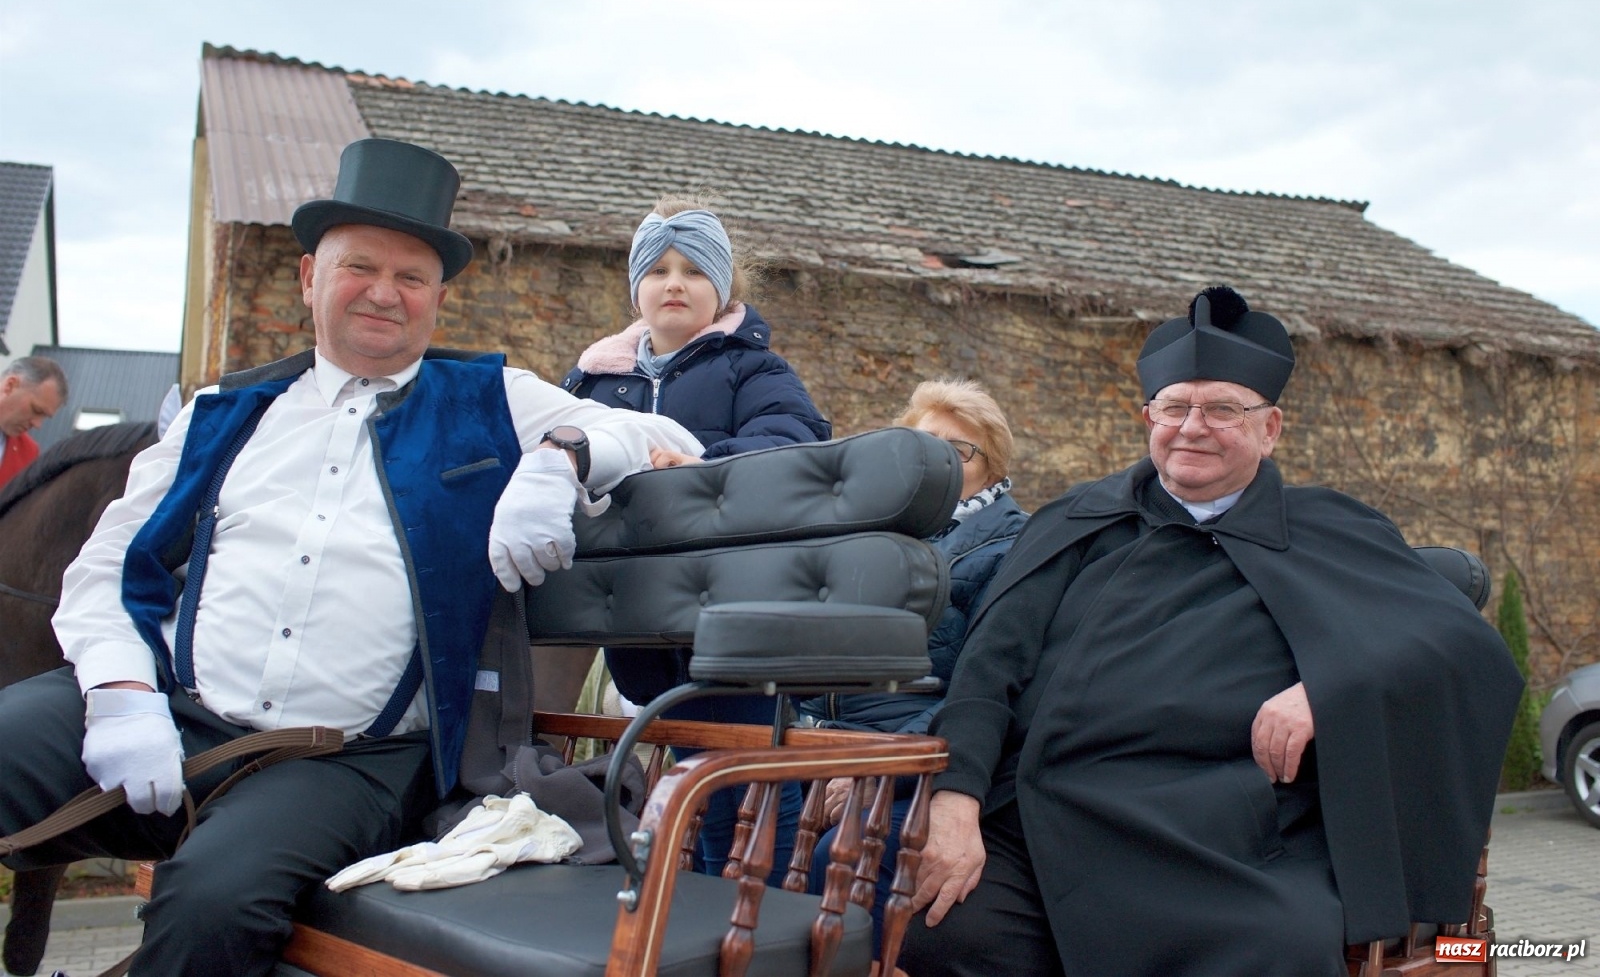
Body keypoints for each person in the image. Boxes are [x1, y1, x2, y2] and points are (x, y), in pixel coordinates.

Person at [0, 138, 701, 977]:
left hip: (350, 759)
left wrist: (563, 456)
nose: (384, 292)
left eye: (411, 277)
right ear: (308, 278)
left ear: (438, 297)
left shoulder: (492, 400)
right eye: (358, 266)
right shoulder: (224, 410)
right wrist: (120, 696)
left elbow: (664, 434)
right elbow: (108, 565)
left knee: (211, 903)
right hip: (175, 710)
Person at [900, 286, 1524, 977]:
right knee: (943, 929)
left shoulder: (1334, 530)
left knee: (1279, 949)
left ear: (1270, 428)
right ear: (1148, 417)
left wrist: (1332, 684)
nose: (1192, 426)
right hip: (1051, 819)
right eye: (1175, 406)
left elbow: (1459, 648)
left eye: (1223, 408)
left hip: (1232, 841)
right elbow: (987, 673)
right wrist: (955, 803)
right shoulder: (1073, 523)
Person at [561, 196, 830, 877]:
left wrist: (707, 462)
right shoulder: (595, 380)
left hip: (732, 598)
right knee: (690, 762)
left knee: (750, 767)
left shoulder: (752, 368)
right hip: (638, 607)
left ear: (723, 289)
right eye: (657, 271)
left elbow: (793, 439)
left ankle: (763, 906)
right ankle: (710, 899)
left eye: (692, 271)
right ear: (637, 289)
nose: (672, 283)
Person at [801, 378, 1028, 949]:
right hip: (816, 743)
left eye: (958, 450)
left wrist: (875, 766)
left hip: (912, 755)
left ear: (994, 468)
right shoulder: (868, 530)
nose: (938, 462)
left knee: (839, 856)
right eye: (924, 446)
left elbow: (982, 687)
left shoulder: (1013, 548)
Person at [0, 355, 67, 489]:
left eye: (45, 417)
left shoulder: (29, 453)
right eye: (36, 410)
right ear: (10, 385)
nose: (37, 424)